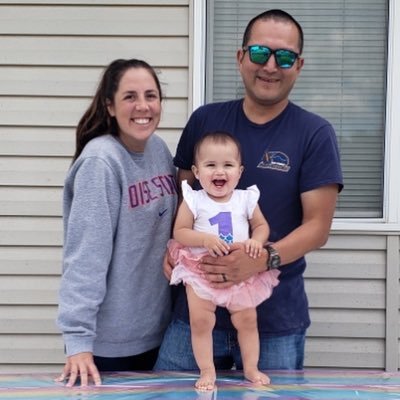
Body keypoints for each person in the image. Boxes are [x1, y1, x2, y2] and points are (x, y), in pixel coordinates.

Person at [155, 9, 343, 373]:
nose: (270, 65)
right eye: (259, 53)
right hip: (195, 308)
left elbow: (317, 228)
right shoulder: (205, 121)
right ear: (241, 57)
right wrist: (174, 246)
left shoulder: (315, 133)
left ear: (299, 65)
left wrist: (259, 259)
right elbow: (185, 199)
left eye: (284, 56)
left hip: (273, 322)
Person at [56, 58, 178, 387]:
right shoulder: (101, 162)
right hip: (108, 344)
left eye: (151, 96)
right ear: (110, 106)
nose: (143, 106)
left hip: (157, 332)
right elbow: (86, 256)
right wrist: (79, 341)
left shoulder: (159, 150)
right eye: (130, 97)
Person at [168, 131, 280, 390]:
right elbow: (180, 232)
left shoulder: (245, 198)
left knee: (247, 319)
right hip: (201, 269)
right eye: (211, 165)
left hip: (240, 271)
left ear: (239, 172)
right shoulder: (194, 199)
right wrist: (205, 240)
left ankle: (251, 368)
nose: (220, 172)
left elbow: (261, 226)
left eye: (228, 165)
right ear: (196, 171)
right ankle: (207, 371)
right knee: (201, 320)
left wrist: (256, 241)